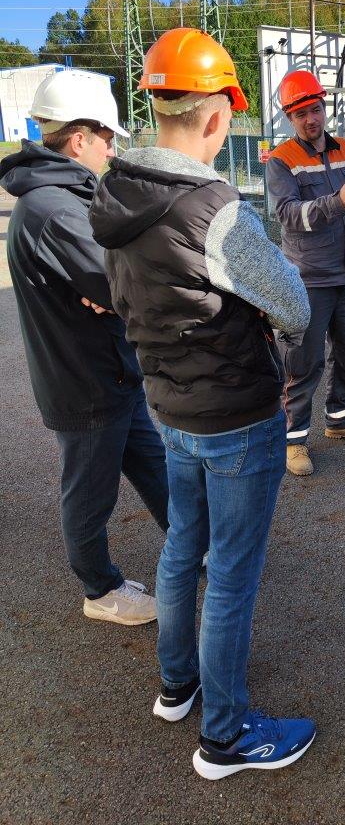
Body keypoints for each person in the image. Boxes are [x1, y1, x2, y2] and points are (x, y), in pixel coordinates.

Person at [89, 28, 315, 780]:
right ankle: (225, 736)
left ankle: (177, 685)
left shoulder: (114, 190)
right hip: (235, 415)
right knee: (233, 575)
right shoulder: (213, 208)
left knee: (184, 544)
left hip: (168, 404)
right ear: (217, 116)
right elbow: (293, 305)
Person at [0, 69, 168, 626]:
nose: (112, 149)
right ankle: (101, 590)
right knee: (90, 495)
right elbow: (120, 283)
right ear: (79, 140)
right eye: (107, 138)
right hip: (86, 382)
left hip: (109, 371)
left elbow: (116, 275)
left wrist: (115, 286)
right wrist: (117, 288)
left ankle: (198, 545)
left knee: (154, 466)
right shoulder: (53, 208)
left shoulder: (65, 196)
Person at [265, 70, 345, 477]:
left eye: (316, 109)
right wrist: (339, 203)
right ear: (290, 117)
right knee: (304, 361)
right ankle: (293, 440)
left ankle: (340, 420)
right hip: (307, 279)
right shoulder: (282, 160)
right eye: (301, 113)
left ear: (325, 108)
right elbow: (288, 215)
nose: (311, 119)